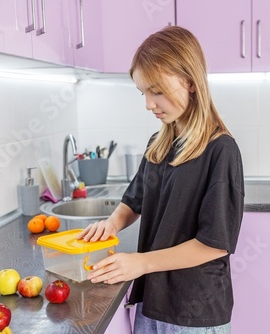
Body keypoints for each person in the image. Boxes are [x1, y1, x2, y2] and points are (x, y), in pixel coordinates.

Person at [77, 25, 244, 334]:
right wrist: (111, 224)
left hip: (195, 313)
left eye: (157, 91)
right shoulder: (160, 143)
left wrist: (140, 263)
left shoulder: (221, 151)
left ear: (191, 83)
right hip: (151, 302)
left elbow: (215, 245)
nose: (148, 104)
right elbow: (133, 201)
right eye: (144, 92)